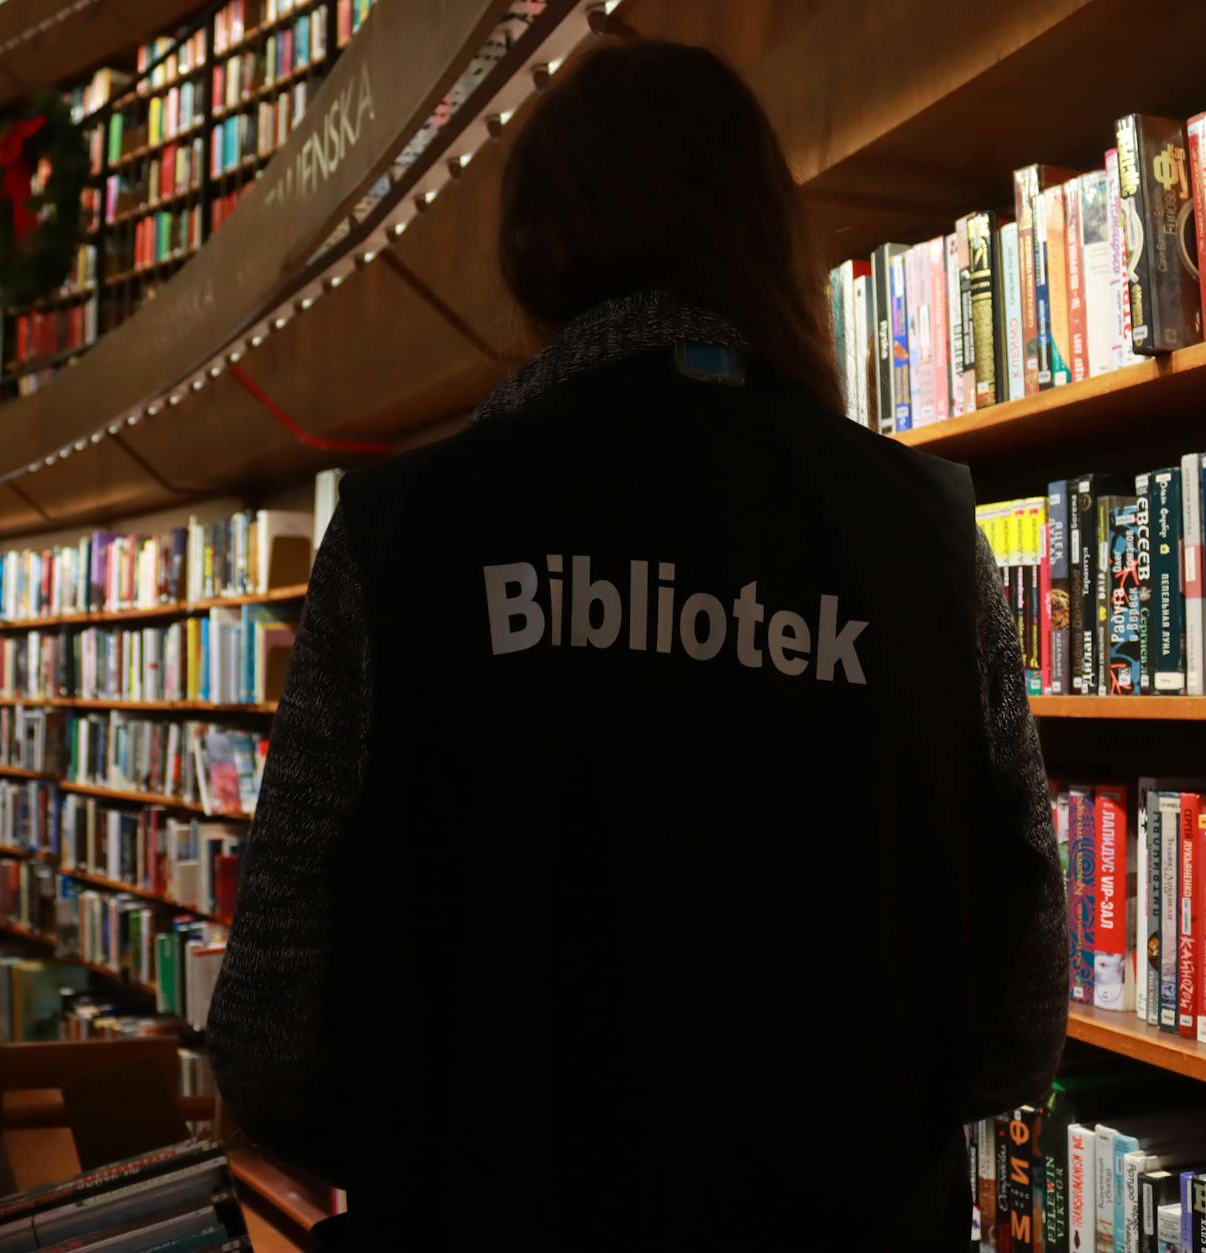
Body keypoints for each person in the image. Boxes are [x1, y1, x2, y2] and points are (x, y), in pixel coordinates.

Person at [206, 39, 1066, 1251]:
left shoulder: (406, 534)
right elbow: (1017, 1022)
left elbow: (270, 1033)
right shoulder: (924, 540)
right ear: (769, 240)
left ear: (535, 250)